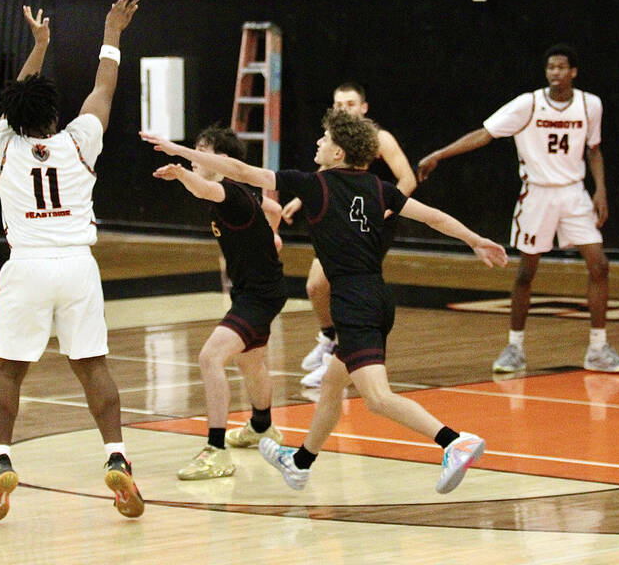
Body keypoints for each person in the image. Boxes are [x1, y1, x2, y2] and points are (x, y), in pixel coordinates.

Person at [142, 107, 507, 494]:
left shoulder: (317, 185)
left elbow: (242, 172)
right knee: (333, 386)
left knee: (378, 398)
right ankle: (300, 462)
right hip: (379, 298)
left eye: (325, 139)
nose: (318, 142)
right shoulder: (380, 187)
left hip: (353, 303)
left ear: (338, 153)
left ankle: (452, 441)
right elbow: (432, 217)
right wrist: (474, 239)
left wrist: (182, 152)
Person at [0, 0, 144, 522]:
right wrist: (111, 32)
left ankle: (1, 459)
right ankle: (116, 454)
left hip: (26, 265)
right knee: (92, 365)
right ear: (54, 115)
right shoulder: (79, 143)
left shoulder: (3, 145)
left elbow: (14, 101)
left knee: (8, 371)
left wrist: (40, 45)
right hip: (77, 265)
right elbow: (103, 86)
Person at [416, 43, 619, 375]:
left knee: (599, 265)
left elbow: (595, 149)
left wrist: (600, 189)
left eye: (561, 67)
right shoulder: (528, 104)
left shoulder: (591, 105)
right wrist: (438, 155)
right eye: (550, 68)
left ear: (573, 72)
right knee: (526, 272)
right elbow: (484, 134)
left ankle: (599, 349)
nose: (555, 73)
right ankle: (514, 347)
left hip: (574, 193)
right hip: (538, 194)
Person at [150, 125, 287, 480]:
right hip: (253, 290)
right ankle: (261, 427)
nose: (196, 157)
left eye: (202, 150)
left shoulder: (229, 191)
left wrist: (180, 171)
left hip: (259, 294)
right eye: (193, 150)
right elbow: (272, 206)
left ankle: (216, 451)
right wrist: (272, 233)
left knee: (210, 356)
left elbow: (203, 188)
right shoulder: (241, 193)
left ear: (222, 160)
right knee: (250, 361)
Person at [284, 81, 417, 387]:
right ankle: (331, 339)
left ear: (364, 107)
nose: (344, 109)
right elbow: (326, 179)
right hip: (341, 221)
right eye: (339, 105)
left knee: (341, 286)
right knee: (316, 286)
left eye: (350, 104)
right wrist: (298, 199)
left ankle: (340, 358)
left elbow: (407, 178)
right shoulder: (335, 144)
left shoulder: (379, 138)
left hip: (370, 224)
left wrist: (385, 207)